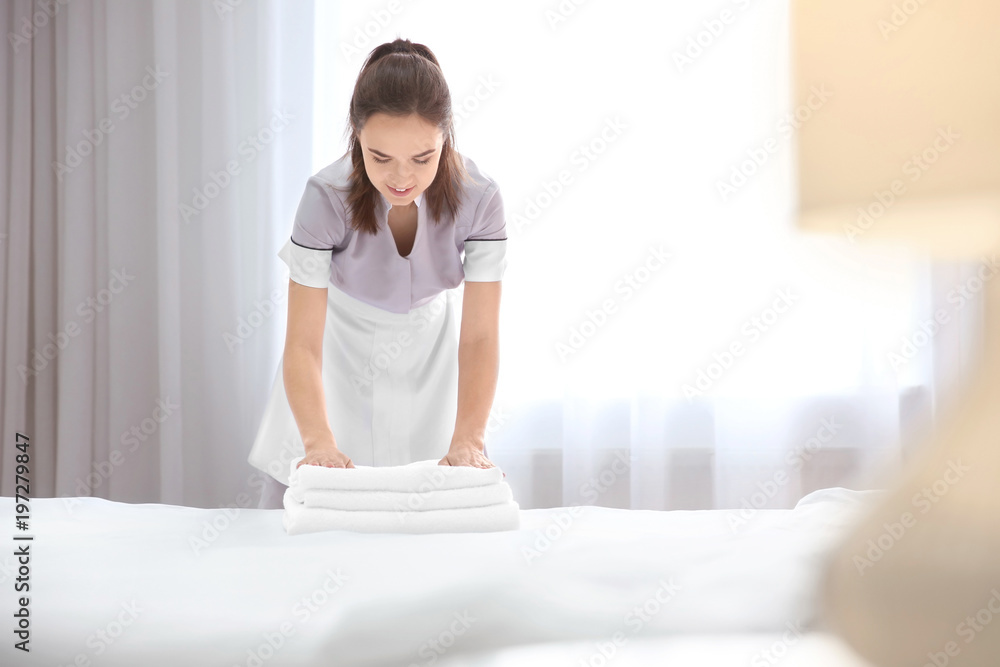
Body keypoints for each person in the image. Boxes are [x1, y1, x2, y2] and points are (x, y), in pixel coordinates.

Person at [248, 38, 508, 510]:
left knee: (431, 529)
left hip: (433, 364)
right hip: (336, 361)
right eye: (380, 157)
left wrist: (468, 437)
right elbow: (303, 343)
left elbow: (480, 337)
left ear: (445, 137)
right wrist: (318, 442)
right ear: (356, 134)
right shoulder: (326, 196)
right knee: (309, 530)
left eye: (422, 158)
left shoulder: (481, 198)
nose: (401, 178)